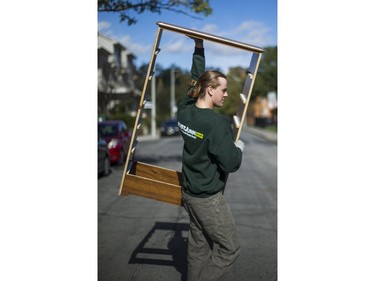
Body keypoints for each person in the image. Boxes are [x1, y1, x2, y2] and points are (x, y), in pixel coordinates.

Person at [177, 37, 245, 281]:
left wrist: (198, 48)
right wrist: (238, 148)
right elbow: (231, 163)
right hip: (208, 199)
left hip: (190, 194)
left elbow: (195, 79)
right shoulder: (217, 123)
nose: (226, 95)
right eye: (223, 90)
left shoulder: (185, 111)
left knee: (199, 248)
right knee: (230, 248)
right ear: (210, 90)